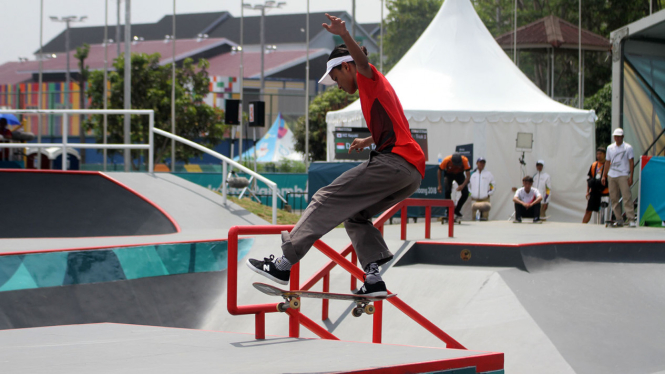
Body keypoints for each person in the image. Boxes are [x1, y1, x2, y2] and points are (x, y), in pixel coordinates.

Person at [246, 14, 425, 297]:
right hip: (411, 173)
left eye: (336, 77)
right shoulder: (380, 90)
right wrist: (368, 139)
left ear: (346, 67)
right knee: (355, 216)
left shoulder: (368, 77)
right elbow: (398, 128)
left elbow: (362, 63)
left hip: (392, 164)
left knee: (325, 197)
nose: (337, 85)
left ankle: (283, 263)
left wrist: (343, 34)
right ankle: (374, 278)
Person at [602, 128, 636, 227]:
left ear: (622, 137)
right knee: (614, 198)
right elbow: (607, 162)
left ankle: (631, 219)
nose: (617, 138)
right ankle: (619, 219)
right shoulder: (610, 148)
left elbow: (631, 162)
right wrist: (604, 175)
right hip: (612, 175)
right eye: (615, 136)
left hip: (623, 174)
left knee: (626, 197)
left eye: (619, 136)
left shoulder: (628, 148)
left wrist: (631, 176)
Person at [437, 152, 471, 220]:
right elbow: (439, 170)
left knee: (465, 193)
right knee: (447, 191)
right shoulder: (446, 160)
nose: (457, 166)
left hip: (459, 175)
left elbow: (468, 177)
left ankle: (457, 210)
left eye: (458, 165)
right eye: (455, 165)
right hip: (449, 174)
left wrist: (462, 185)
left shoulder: (465, 160)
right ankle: (448, 211)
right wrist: (439, 185)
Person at [583, 147, 609, 224]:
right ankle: (583, 225)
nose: (598, 155)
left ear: (604, 154)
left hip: (604, 192)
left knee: (603, 212)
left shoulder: (608, 164)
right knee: (588, 210)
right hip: (594, 191)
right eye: (597, 154)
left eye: (600, 154)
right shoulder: (594, 165)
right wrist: (587, 191)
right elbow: (589, 179)